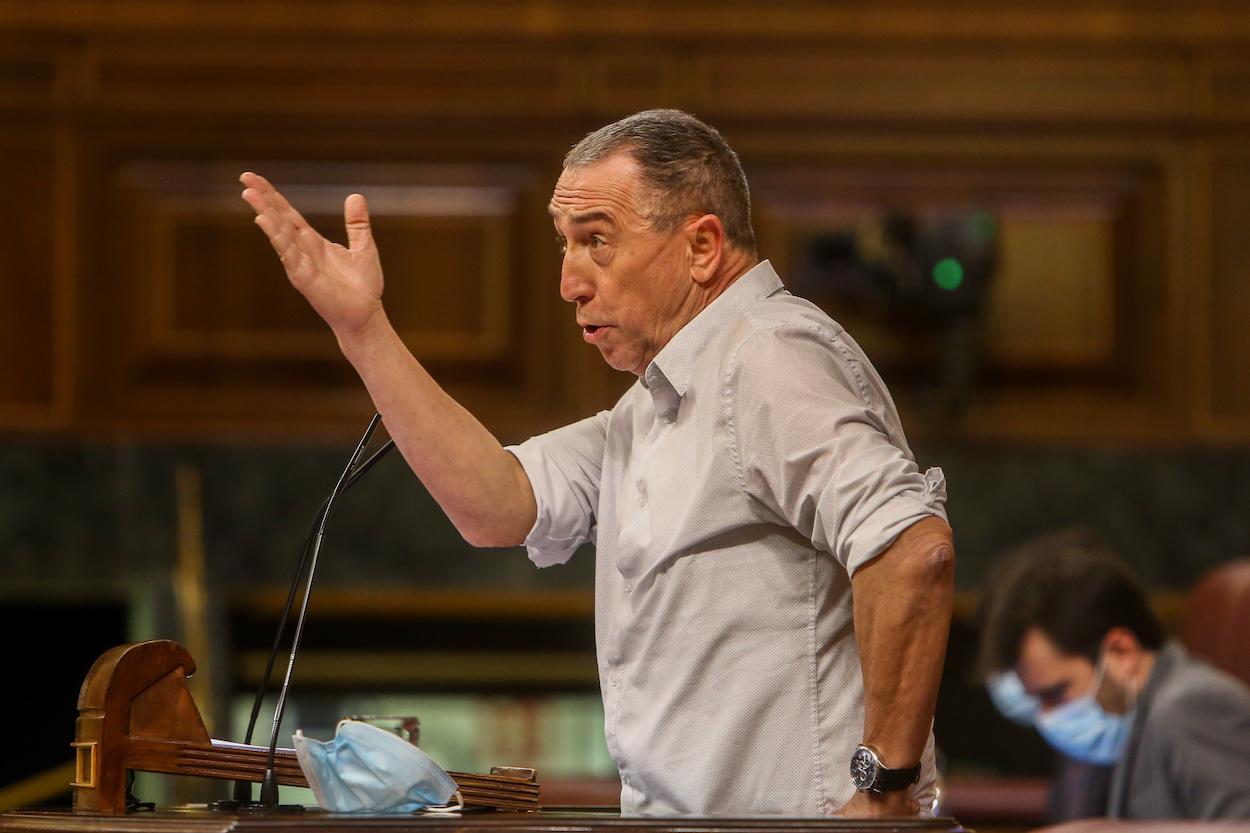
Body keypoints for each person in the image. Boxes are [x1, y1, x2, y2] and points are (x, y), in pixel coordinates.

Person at [241, 109, 954, 817]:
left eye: (597, 242)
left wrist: (882, 794)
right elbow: (497, 502)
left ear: (702, 246)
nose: (567, 282)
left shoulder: (767, 358)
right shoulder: (655, 405)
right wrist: (364, 330)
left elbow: (912, 550)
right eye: (564, 244)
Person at [977, 536, 1250, 819]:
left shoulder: (1190, 708)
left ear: (1121, 652)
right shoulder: (1133, 722)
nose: (1045, 717)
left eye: (1056, 692)